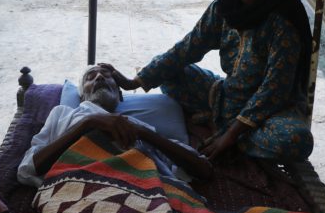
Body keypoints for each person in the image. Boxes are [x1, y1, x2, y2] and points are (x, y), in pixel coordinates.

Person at [104, 0, 314, 162]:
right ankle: (226, 122)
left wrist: (231, 134)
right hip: (226, 97)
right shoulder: (225, 9)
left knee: (297, 140)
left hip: (271, 111)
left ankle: (232, 132)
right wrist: (135, 81)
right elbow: (187, 48)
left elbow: (275, 89)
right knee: (171, 74)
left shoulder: (282, 19)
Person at [16, 65, 212, 188]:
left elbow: (204, 170)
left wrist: (144, 134)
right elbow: (28, 169)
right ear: (82, 96)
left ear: (119, 95)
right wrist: (88, 124)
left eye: (106, 76)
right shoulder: (63, 115)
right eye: (90, 77)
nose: (99, 78)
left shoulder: (139, 128)